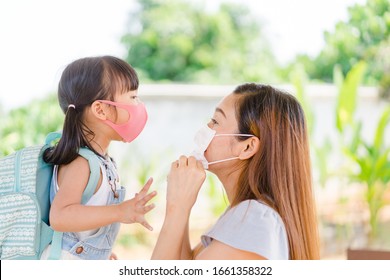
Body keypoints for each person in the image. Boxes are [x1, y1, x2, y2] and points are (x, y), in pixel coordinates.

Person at [152, 83, 320, 260]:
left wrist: (176, 207)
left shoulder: (255, 221)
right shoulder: (244, 214)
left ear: (247, 147)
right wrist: (182, 204)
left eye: (216, 121)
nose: (206, 128)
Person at [41, 56, 157, 260]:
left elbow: (84, 227)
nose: (139, 105)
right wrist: (121, 211)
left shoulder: (104, 161)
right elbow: (60, 217)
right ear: (101, 109)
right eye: (132, 97)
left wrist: (100, 251)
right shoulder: (81, 163)